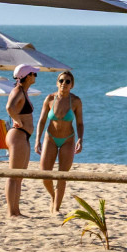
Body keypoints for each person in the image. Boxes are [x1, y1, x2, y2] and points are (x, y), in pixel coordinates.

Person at [35, 70, 84, 213]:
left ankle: (56, 209)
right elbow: (42, 120)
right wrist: (37, 140)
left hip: (68, 140)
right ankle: (53, 196)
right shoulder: (50, 99)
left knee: (62, 176)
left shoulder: (75, 101)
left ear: (72, 85)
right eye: (61, 81)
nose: (64, 84)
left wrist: (80, 139)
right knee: (45, 174)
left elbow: (80, 123)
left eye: (67, 81)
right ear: (57, 83)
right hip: (50, 137)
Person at [4, 65, 39, 217]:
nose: (35, 77)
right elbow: (9, 107)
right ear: (28, 75)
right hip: (17, 134)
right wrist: (17, 120)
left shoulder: (23, 91)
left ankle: (16, 210)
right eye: (34, 74)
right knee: (13, 175)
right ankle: (12, 212)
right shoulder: (18, 90)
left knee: (19, 175)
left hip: (23, 135)